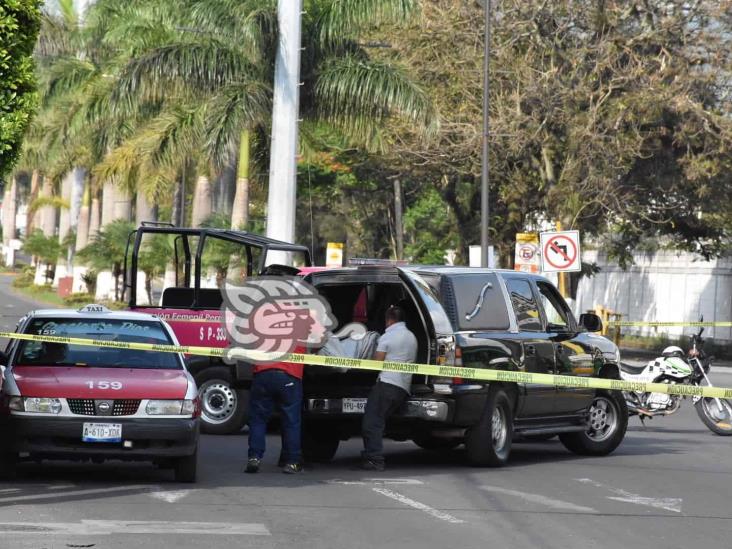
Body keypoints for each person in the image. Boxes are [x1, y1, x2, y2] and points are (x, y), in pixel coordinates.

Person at [360, 305, 418, 471]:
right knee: (380, 420)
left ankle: (374, 459)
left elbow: (376, 364)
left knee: (372, 422)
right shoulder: (411, 337)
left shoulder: (387, 337)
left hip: (387, 383)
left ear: (388, 320)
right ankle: (372, 455)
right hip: (402, 387)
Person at [245, 345, 305, 474]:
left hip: (262, 374)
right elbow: (321, 338)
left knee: (258, 419)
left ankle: (254, 458)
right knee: (291, 421)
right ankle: (292, 462)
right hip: (289, 374)